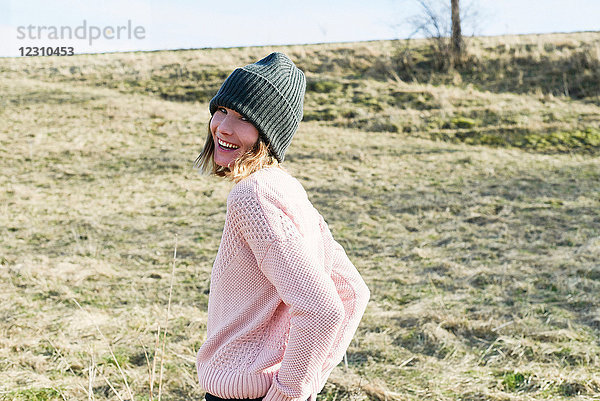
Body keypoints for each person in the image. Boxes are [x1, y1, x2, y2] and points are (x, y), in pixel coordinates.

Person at [194, 52, 370, 401]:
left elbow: (323, 310)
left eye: (243, 118)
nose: (223, 127)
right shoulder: (287, 190)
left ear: (269, 134)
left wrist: (289, 393)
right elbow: (352, 290)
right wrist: (308, 382)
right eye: (222, 110)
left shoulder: (252, 196)